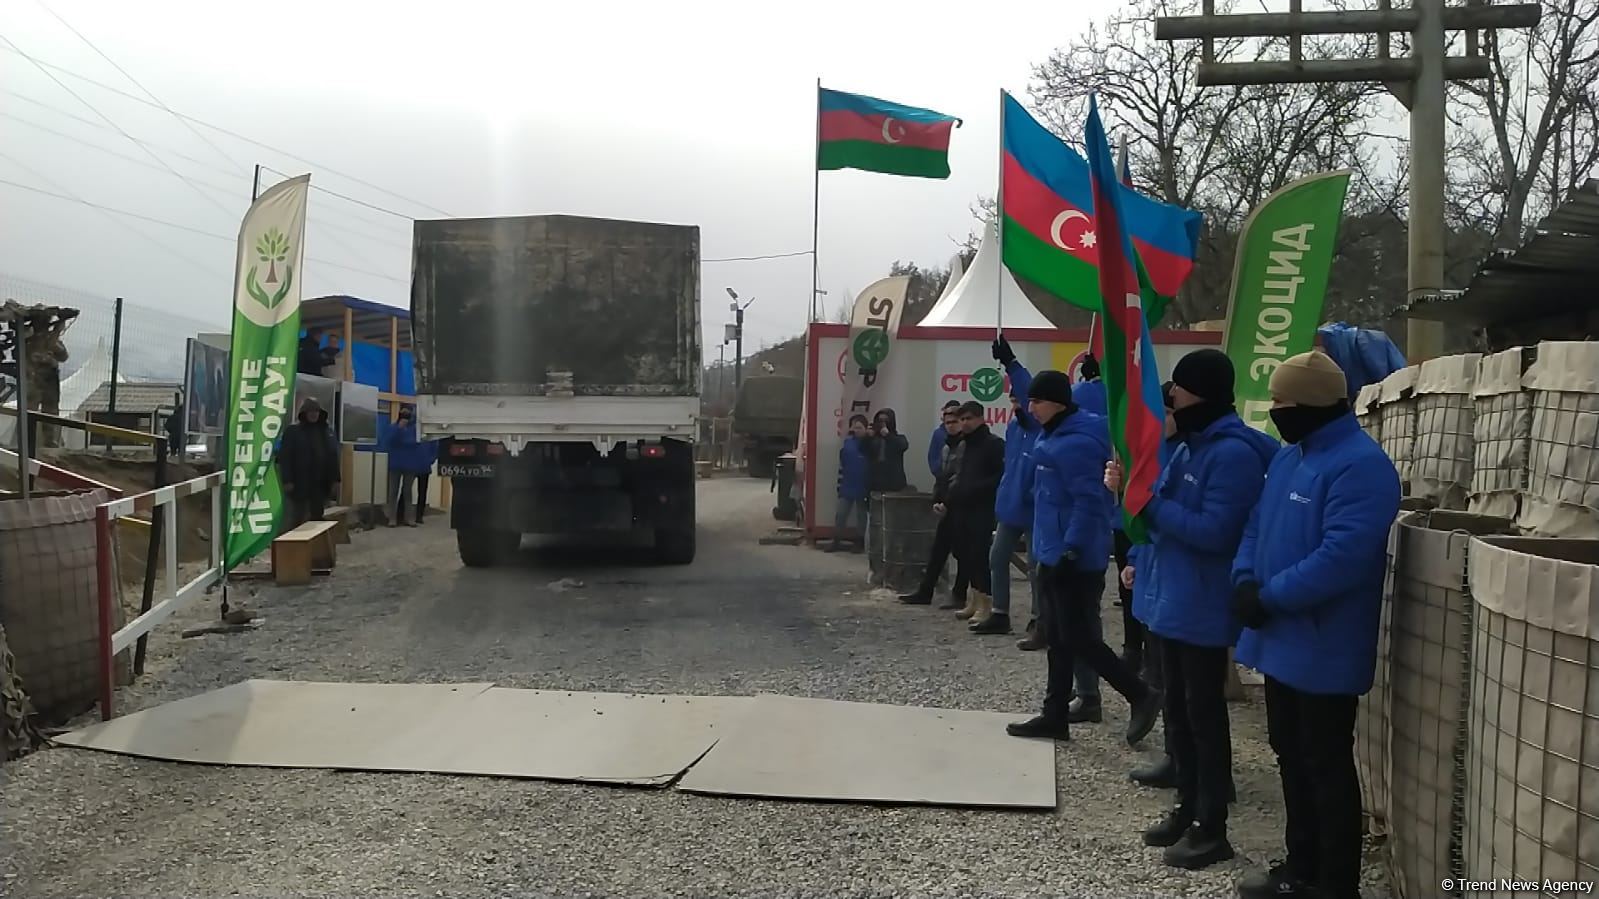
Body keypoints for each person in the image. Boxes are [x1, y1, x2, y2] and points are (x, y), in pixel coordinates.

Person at [1230, 350, 1400, 899]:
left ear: (1312, 402)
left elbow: (1343, 557)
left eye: (1281, 400)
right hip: (1281, 638)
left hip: (1324, 645)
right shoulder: (1290, 456)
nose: (1275, 410)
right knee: (1288, 753)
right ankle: (1299, 866)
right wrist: (1243, 580)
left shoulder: (1360, 465)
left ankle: (1334, 882)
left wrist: (1271, 597)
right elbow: (1257, 523)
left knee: (1325, 765)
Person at [1108, 350, 1279, 870]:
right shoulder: (1186, 447)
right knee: (1179, 711)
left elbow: (1214, 533)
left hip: (1200, 606)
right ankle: (1186, 806)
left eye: (1176, 390)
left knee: (1203, 716)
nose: (1169, 400)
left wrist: (1144, 504)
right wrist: (1137, 552)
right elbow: (1157, 509)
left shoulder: (1231, 455)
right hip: (1168, 598)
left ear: (1199, 393)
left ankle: (1212, 824)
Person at [1006, 370, 1161, 745]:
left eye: (1037, 402)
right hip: (1054, 551)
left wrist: (1070, 550)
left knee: (1079, 638)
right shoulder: (1057, 434)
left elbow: (1089, 502)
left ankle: (1140, 694)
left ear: (1057, 403)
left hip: (1072, 557)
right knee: (1059, 640)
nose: (1031, 408)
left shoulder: (1074, 444)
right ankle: (1054, 714)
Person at [973, 336, 1036, 637]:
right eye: (1011, 401)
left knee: (1036, 565)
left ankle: (1039, 617)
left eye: (1019, 400)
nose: (1015, 405)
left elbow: (1027, 389)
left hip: (1035, 506)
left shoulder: (1039, 427)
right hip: (1011, 504)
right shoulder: (1014, 428)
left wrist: (1011, 364)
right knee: (997, 557)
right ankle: (1000, 612)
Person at [898, 404, 968, 606]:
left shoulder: (965, 446)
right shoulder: (947, 447)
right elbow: (943, 477)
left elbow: (959, 478)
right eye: (948, 422)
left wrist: (947, 501)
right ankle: (925, 591)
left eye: (955, 421)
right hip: (947, 504)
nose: (951, 426)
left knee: (962, 552)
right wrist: (938, 499)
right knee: (939, 550)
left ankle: (959, 595)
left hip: (960, 505)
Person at [946, 400, 1005, 623]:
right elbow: (956, 474)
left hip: (982, 508)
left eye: (969, 418)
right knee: (965, 555)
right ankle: (974, 599)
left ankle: (986, 603)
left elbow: (999, 476)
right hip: (962, 507)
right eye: (962, 419)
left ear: (981, 418)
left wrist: (976, 489)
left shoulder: (994, 444)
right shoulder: (963, 445)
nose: (965, 423)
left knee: (980, 556)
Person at [278, 397, 340, 530]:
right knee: (297, 517)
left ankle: (314, 549)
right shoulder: (293, 432)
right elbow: (285, 457)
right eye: (310, 411)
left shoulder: (326, 431)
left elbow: (333, 456)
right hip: (300, 484)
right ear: (304, 413)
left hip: (320, 484)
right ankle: (292, 548)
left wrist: (336, 479)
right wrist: (287, 480)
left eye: (316, 411)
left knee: (317, 517)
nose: (313, 414)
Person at [827, 414, 870, 552]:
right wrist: (840, 485)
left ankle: (859, 542)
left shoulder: (870, 445)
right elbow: (842, 466)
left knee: (861, 516)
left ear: (865, 428)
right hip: (848, 485)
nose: (857, 430)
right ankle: (836, 540)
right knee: (841, 514)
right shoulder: (847, 444)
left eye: (860, 427)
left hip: (864, 486)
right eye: (855, 427)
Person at [385, 406, 432, 528]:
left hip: (410, 464)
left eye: (408, 414)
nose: (406, 417)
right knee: (393, 492)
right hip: (395, 464)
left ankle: (409, 518)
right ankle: (392, 518)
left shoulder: (415, 430)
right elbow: (389, 442)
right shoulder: (393, 427)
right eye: (403, 414)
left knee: (407, 492)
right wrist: (399, 430)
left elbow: (416, 443)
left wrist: (405, 441)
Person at [926, 400, 960, 480]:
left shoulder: (966, 434)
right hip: (942, 479)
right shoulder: (938, 434)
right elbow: (932, 456)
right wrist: (939, 474)